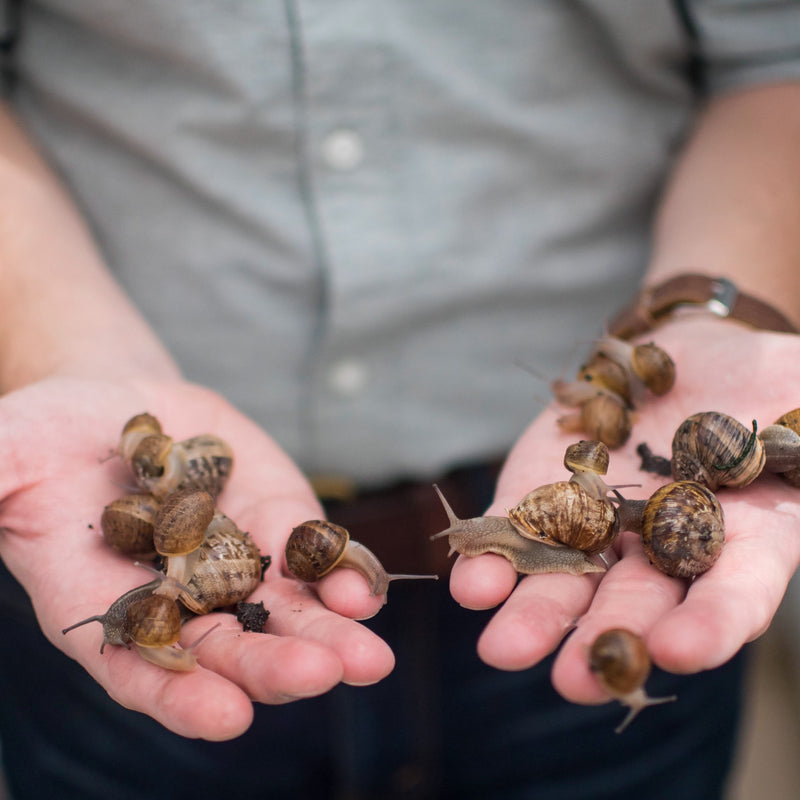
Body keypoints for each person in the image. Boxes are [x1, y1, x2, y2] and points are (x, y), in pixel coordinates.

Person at [0, 2, 799, 798]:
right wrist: (65, 357)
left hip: (585, 585)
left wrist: (711, 314)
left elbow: (776, 56)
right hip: (92, 645)